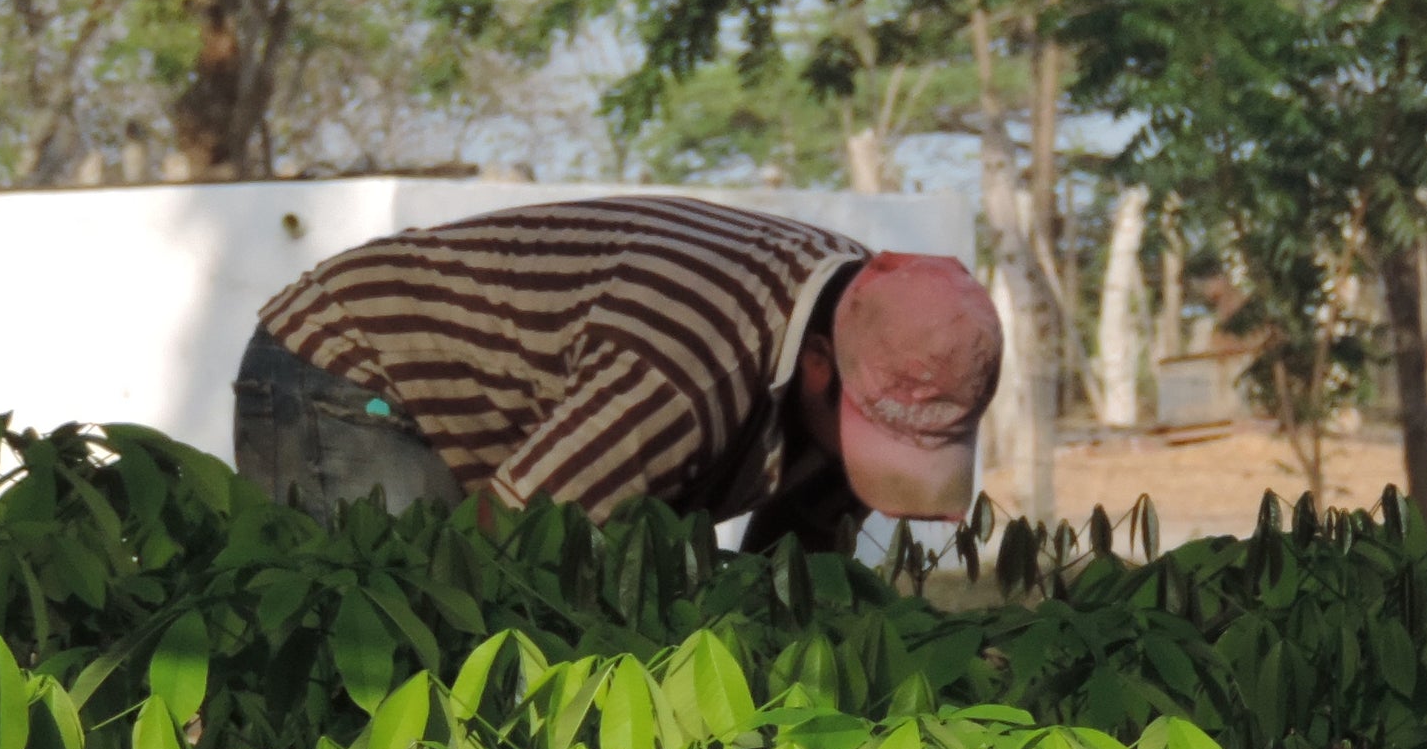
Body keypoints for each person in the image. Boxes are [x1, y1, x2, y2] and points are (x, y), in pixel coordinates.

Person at [234, 194, 1002, 548]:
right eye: (869, 434)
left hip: (508, 398)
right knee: (399, 636)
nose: (855, 465)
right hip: (349, 368)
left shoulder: (871, 320)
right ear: (816, 368)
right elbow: (503, 541)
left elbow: (796, 568)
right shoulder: (681, 373)